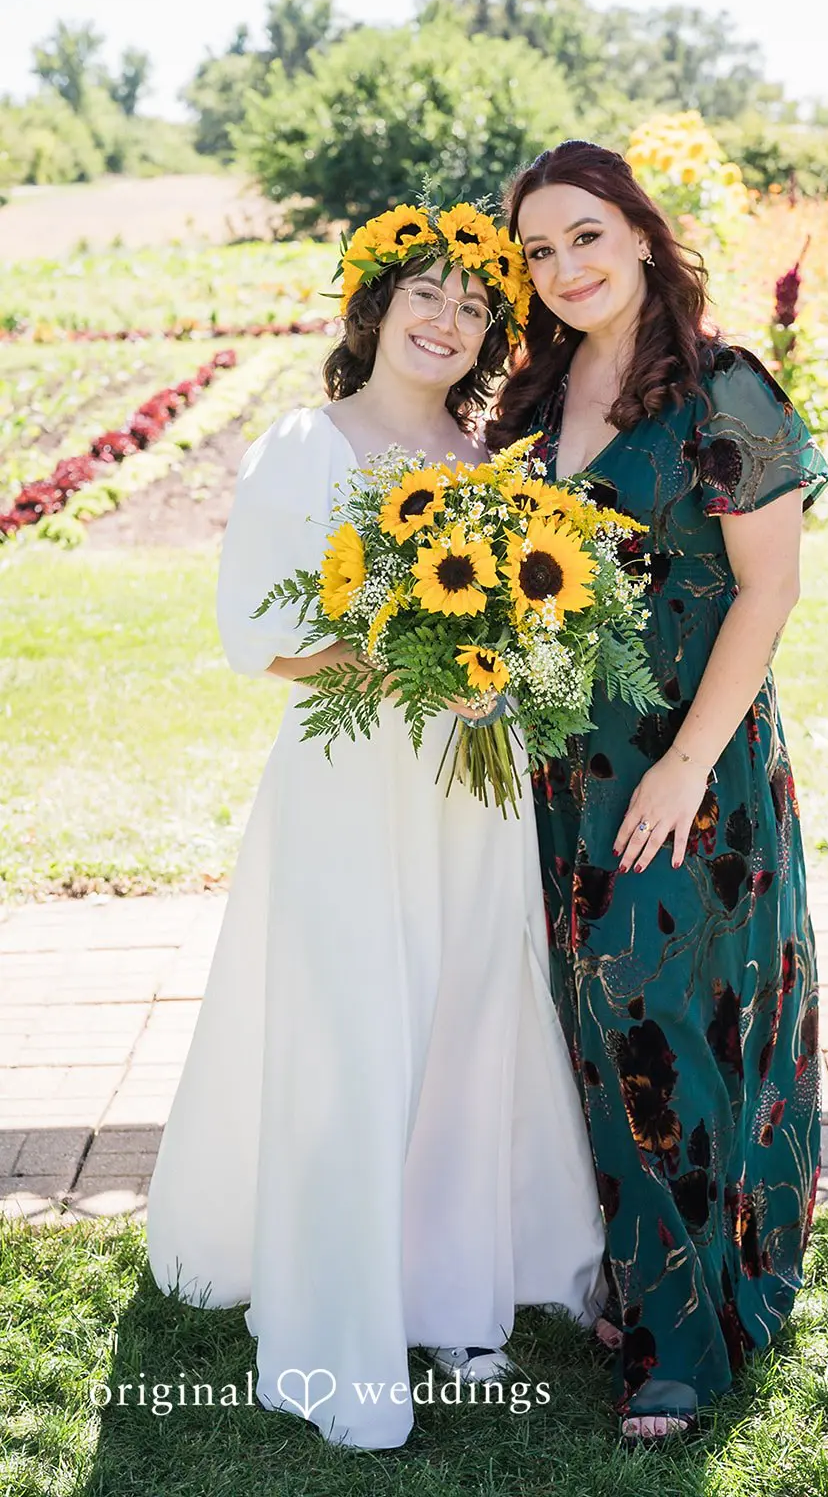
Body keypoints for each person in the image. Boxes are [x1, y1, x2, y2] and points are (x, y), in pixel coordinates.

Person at [147, 201, 604, 1453]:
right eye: (425, 295)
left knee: (464, 1019)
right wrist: (405, 658)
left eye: (473, 305)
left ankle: (452, 1291)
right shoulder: (305, 444)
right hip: (351, 784)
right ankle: (336, 1300)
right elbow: (258, 633)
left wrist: (499, 668)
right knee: (354, 1028)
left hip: (470, 783)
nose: (446, 320)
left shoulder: (492, 461)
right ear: (375, 307)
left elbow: (534, 625)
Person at [487, 141, 828, 1444]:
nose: (563, 266)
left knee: (655, 1011)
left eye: (585, 235)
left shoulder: (722, 386)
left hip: (693, 764)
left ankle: (680, 1347)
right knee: (588, 1018)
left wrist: (684, 766)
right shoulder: (531, 399)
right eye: (538, 250)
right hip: (561, 767)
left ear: (638, 232)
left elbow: (767, 586)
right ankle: (642, 1278)